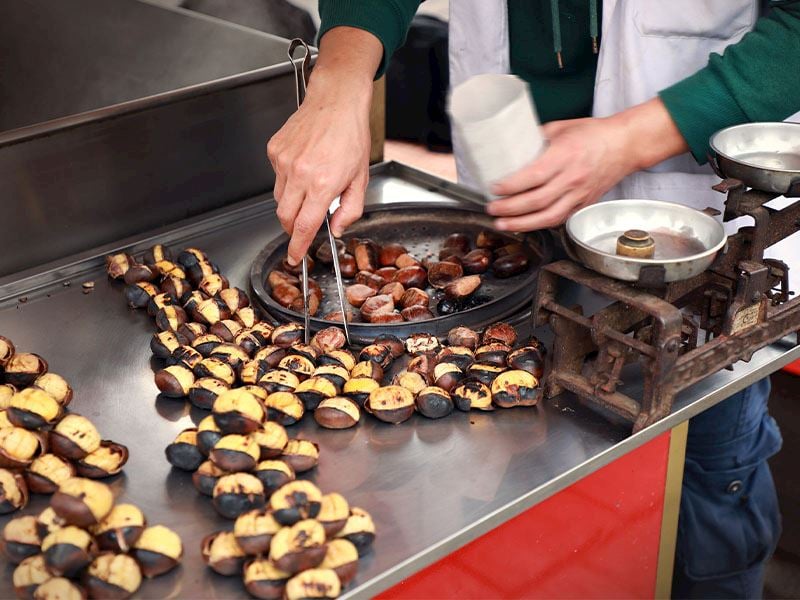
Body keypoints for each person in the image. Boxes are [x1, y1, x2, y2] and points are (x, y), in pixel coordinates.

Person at [267, 1, 800, 597]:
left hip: (687, 220)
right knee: (529, 494)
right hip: (512, 214)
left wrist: (633, 138)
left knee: (708, 484)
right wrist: (338, 81)